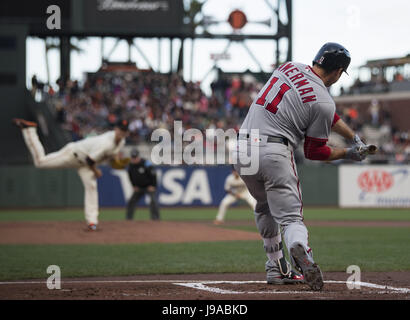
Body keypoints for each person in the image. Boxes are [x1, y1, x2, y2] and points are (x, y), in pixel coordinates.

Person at [234, 42, 370, 291]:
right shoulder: (324, 101)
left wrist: (353, 136)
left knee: (264, 206)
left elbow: (327, 115)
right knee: (291, 218)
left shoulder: (290, 67)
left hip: (243, 149)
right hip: (274, 152)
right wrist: (349, 153)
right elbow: (314, 151)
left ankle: (276, 268)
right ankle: (300, 247)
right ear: (339, 71)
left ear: (318, 59)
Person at [12, 117, 130, 231]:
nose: (121, 132)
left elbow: (110, 154)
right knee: (40, 162)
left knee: (92, 187)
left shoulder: (121, 141)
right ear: (116, 129)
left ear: (126, 132)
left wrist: (116, 160)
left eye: (124, 130)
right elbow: (90, 160)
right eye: (120, 129)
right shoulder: (106, 143)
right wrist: (96, 172)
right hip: (73, 155)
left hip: (85, 164)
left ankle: (92, 222)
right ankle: (29, 130)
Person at [126, 149, 160, 221]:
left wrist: (153, 186)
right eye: (133, 157)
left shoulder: (146, 163)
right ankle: (128, 219)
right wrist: (134, 185)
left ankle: (155, 219)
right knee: (131, 202)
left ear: (138, 157)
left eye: (135, 157)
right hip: (139, 187)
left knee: (153, 201)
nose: (134, 159)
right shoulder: (130, 165)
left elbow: (153, 174)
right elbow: (130, 176)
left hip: (149, 186)